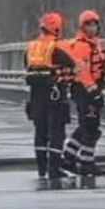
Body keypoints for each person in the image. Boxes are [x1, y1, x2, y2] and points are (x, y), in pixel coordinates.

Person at [24, 12, 78, 180]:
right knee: (57, 130)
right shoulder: (59, 45)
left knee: (40, 131)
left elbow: (26, 65)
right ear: (57, 28)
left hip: (35, 94)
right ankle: (54, 169)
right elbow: (75, 64)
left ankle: (41, 169)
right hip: (55, 92)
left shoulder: (31, 46)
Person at [60, 10, 105, 177]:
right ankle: (86, 162)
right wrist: (93, 90)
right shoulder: (82, 46)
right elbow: (83, 71)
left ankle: (69, 156)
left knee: (87, 126)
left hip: (91, 88)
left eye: (94, 25)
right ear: (82, 27)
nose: (92, 28)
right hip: (84, 90)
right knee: (90, 127)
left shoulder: (95, 43)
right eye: (89, 25)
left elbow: (100, 66)